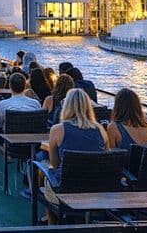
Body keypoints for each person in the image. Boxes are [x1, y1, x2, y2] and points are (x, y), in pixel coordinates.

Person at [44, 89, 108, 223]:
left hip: (65, 190)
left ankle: (51, 224)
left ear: (66, 106)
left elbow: (54, 164)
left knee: (46, 173)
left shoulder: (57, 130)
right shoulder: (101, 130)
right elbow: (105, 160)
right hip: (94, 189)